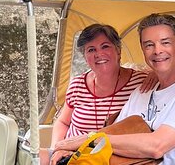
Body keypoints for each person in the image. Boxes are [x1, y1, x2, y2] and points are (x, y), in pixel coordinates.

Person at [52, 14, 175, 165]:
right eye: (149, 45)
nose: (157, 51)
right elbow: (114, 131)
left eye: (165, 43)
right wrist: (71, 149)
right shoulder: (143, 89)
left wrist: (89, 139)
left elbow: (157, 147)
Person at [43, 24, 157, 165]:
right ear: (85, 57)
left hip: (112, 158)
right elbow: (63, 122)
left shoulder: (141, 83)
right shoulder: (77, 84)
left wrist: (156, 73)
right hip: (69, 153)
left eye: (105, 46)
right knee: (32, 157)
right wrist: (57, 149)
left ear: (118, 50)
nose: (99, 54)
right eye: (91, 50)